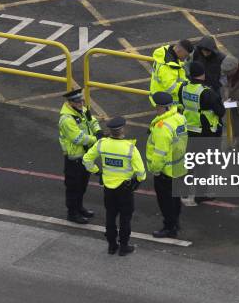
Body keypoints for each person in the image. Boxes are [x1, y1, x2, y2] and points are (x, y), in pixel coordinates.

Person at [83, 117, 146, 256]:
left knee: (110, 216)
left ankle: (112, 246)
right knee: (125, 218)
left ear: (110, 131)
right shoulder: (130, 148)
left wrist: (97, 172)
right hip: (125, 189)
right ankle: (124, 246)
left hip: (108, 188)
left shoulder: (102, 144)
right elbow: (141, 172)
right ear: (122, 130)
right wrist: (138, 181)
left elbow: (86, 159)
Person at [178, 61, 225, 205]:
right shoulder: (206, 92)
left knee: (189, 162)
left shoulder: (183, 87)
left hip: (188, 130)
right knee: (204, 165)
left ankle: (184, 191)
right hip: (205, 132)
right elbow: (220, 111)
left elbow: (182, 103)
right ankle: (200, 195)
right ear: (202, 74)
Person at [147, 92, 188, 238]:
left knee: (165, 202)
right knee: (175, 199)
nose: (155, 109)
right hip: (179, 165)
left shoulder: (162, 127)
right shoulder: (180, 117)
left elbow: (160, 153)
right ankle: (175, 222)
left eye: (157, 106)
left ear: (162, 107)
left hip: (165, 171)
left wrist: (155, 170)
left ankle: (169, 227)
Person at [58, 88, 103, 224]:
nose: (81, 103)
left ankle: (79, 207)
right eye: (77, 101)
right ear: (70, 102)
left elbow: (92, 121)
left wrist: (98, 131)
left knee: (82, 185)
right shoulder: (67, 119)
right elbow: (77, 138)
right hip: (74, 159)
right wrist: (96, 139)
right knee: (73, 187)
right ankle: (72, 213)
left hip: (84, 156)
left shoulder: (81, 111)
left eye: (81, 100)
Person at [149, 40, 193, 106]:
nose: (186, 58)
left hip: (160, 96)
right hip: (165, 102)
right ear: (179, 51)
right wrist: (189, 87)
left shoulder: (167, 54)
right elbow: (171, 87)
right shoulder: (167, 66)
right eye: (185, 55)